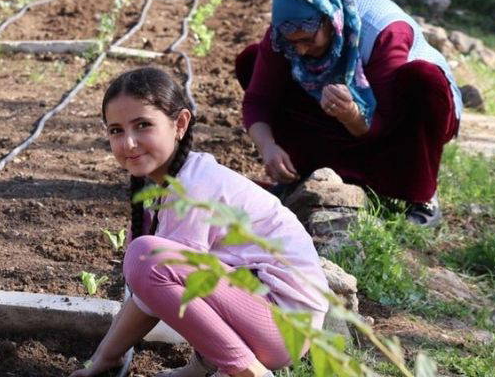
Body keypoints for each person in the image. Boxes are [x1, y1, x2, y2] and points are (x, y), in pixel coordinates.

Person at [74, 67, 327, 377]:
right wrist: (102, 360)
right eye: (116, 130)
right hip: (263, 316)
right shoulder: (161, 187)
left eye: (143, 125)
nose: (128, 143)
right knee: (149, 259)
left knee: (146, 256)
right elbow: (150, 295)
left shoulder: (194, 188)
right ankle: (207, 366)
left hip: (283, 326)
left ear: (180, 124)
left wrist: (103, 358)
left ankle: (248, 372)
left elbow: (156, 279)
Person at [237, 0, 463, 227]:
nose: (300, 49)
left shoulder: (383, 30)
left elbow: (384, 122)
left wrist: (352, 115)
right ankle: (307, 172)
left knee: (422, 79)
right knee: (251, 61)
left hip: (406, 115)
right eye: (293, 42)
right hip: (342, 113)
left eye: (308, 40)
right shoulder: (285, 32)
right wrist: (268, 146)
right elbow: (258, 99)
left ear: (330, 21)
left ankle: (421, 196)